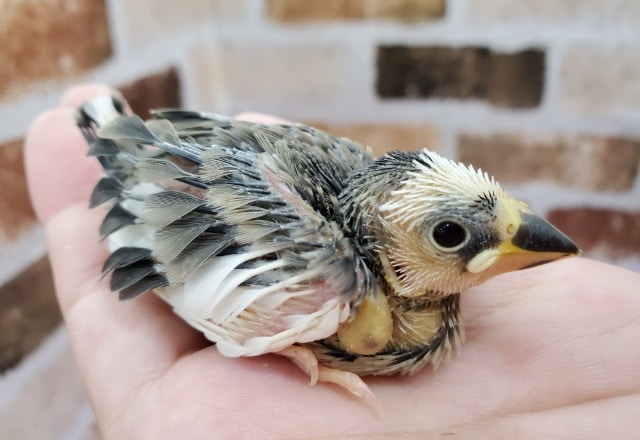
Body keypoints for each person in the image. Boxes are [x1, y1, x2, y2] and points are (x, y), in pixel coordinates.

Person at [25, 84, 640, 439]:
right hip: (177, 178)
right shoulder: (324, 284)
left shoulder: (387, 260)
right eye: (450, 234)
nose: (518, 238)